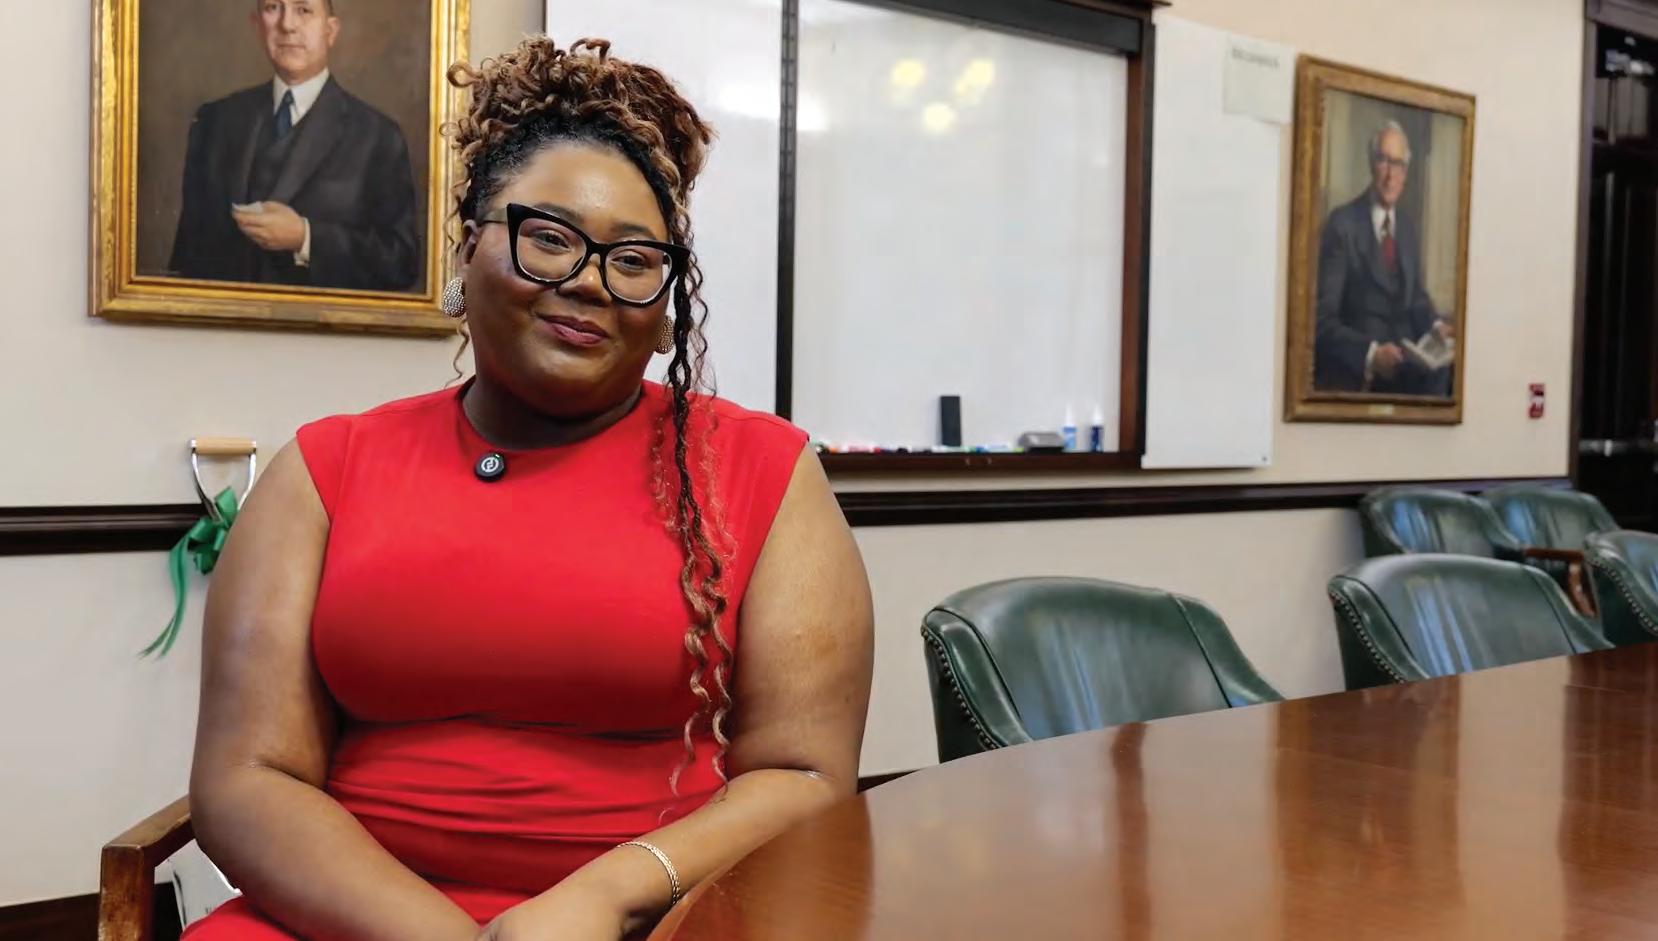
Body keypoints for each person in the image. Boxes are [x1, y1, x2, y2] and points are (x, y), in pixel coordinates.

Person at [181, 36, 874, 941]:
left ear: (666, 308)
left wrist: (604, 897)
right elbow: (247, 778)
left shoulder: (765, 473)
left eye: (634, 260)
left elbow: (805, 775)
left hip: (660, 917)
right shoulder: (325, 470)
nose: (587, 282)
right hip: (342, 918)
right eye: (548, 239)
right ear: (470, 248)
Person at [168, 0, 421, 291]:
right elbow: (186, 260)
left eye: (303, 10)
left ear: (330, 31)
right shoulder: (214, 121)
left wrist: (305, 238)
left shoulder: (378, 136)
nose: (287, 25)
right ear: (257, 25)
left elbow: (401, 264)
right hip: (221, 319)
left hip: (321, 319)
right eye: (273, 8)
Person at [1313, 120, 1454, 395]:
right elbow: (1323, 321)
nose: (1391, 176)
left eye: (1398, 164)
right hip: (1363, 373)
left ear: (1406, 173)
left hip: (1408, 365)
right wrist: (1371, 354)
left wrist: (1436, 326)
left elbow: (1416, 298)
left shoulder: (1408, 227)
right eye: (1384, 161)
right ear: (1371, 163)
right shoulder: (1342, 224)